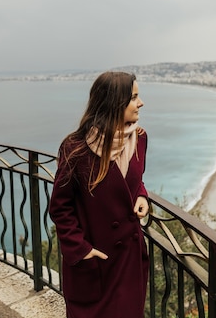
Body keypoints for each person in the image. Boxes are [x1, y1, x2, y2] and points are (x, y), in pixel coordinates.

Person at [49, 71, 149, 318]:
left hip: (129, 260)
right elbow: (60, 207)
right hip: (97, 262)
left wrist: (142, 196)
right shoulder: (76, 149)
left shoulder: (139, 138)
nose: (141, 103)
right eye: (134, 97)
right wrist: (80, 249)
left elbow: (134, 181)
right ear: (115, 102)